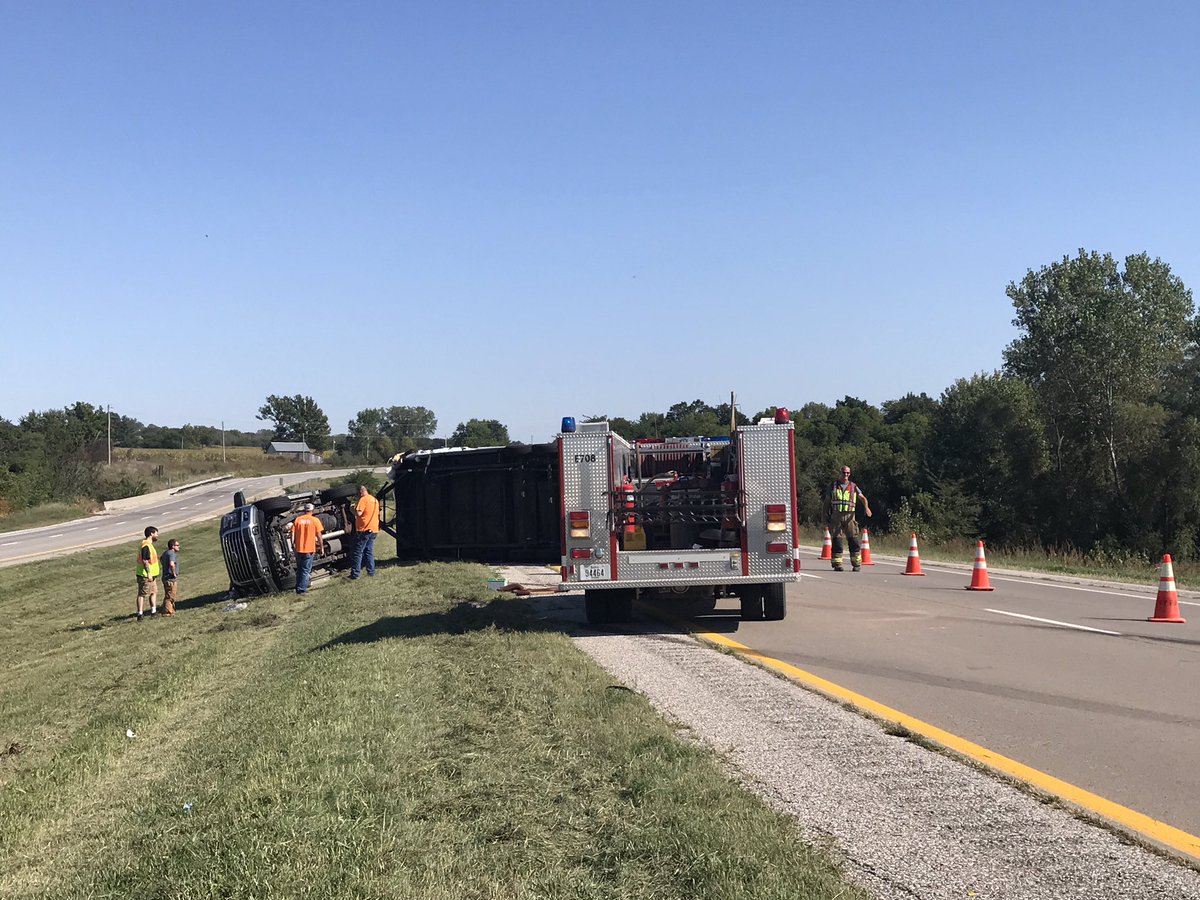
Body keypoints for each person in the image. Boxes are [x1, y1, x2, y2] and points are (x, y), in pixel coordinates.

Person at [824, 465, 872, 572]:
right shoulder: (833, 486)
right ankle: (837, 564)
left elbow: (863, 498)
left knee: (853, 540)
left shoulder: (853, 486)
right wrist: (825, 515)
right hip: (836, 516)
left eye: (848, 473)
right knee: (837, 540)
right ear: (840, 473)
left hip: (850, 516)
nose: (846, 475)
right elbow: (827, 502)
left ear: (850, 474)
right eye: (844, 472)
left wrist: (866, 508)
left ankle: (856, 564)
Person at [288, 503, 324, 594]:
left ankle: (298, 587)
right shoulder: (315, 520)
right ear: (312, 510)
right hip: (309, 549)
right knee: (305, 570)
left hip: (299, 549)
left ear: (304, 510)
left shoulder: (298, 520)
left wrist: (293, 545)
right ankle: (301, 590)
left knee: (300, 569)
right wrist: (321, 547)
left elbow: (292, 534)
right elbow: (319, 535)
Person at [350, 484, 380, 580]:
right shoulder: (374, 500)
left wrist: (351, 509)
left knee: (358, 551)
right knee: (369, 551)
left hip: (364, 529)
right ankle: (371, 572)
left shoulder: (363, 499)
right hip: (374, 529)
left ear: (360, 492)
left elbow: (358, 513)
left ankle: (355, 574)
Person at [134, 526, 160, 619]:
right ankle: (140, 614)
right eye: (156, 533)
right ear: (151, 534)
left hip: (152, 575)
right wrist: (148, 573)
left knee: (153, 592)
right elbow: (145, 560)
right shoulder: (146, 545)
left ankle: (153, 611)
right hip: (144, 575)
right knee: (142, 594)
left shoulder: (149, 545)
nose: (157, 535)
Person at [161, 539, 181, 616]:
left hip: (165, 577)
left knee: (168, 594)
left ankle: (169, 609)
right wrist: (174, 573)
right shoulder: (172, 554)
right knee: (170, 596)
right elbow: (172, 564)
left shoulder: (166, 553)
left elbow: (161, 559)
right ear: (173, 546)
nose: (179, 546)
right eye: (177, 545)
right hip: (170, 578)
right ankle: (168, 612)